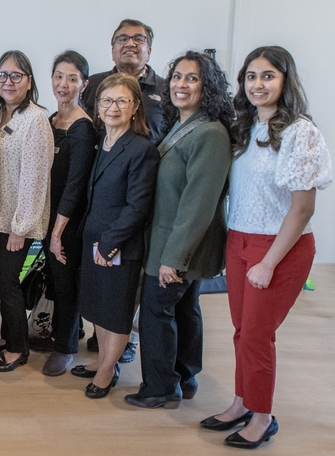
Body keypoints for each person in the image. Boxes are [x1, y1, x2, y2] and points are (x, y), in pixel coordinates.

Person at [202, 46, 332, 450]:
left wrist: (269, 262)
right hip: (239, 238)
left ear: (285, 81)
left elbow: (303, 206)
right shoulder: (246, 128)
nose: (258, 84)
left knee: (258, 335)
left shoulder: (301, 132)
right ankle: (243, 402)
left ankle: (263, 417)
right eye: (251, 76)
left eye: (268, 76)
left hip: (278, 247)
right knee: (243, 332)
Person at [124, 51, 233, 409]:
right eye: (177, 77)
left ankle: (159, 387)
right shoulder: (184, 126)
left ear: (209, 87)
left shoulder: (211, 135)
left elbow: (198, 204)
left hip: (178, 244)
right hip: (173, 240)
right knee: (185, 309)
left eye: (192, 79)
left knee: (157, 311)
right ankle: (184, 376)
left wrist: (174, 258)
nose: (180, 85)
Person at [81, 19, 168, 362]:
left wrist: (113, 237)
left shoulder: (166, 88)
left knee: (122, 297)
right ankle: (105, 356)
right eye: (121, 39)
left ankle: (114, 359)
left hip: (141, 209)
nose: (129, 44)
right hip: (102, 209)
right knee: (103, 295)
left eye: (138, 39)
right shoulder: (96, 89)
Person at [71, 73, 159, 399]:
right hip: (93, 239)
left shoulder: (141, 150)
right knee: (97, 307)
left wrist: (108, 244)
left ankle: (108, 370)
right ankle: (102, 360)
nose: (113, 107)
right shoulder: (102, 143)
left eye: (122, 100)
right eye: (107, 100)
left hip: (118, 245)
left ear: (135, 106)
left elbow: (137, 208)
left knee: (116, 311)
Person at [0, 51, 55, 373]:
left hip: (18, 222)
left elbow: (35, 178)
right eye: (3, 75)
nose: (8, 81)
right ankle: (5, 336)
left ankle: (17, 348)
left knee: (7, 282)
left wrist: (20, 227)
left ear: (29, 82)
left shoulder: (36, 120)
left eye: (16, 75)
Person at [42, 51, 97, 376]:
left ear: (84, 84)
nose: (64, 84)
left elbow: (75, 186)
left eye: (72, 78)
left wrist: (58, 231)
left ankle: (65, 348)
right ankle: (68, 331)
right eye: (59, 76)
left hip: (68, 222)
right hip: (48, 218)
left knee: (65, 284)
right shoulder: (50, 120)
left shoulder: (83, 128)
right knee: (54, 281)